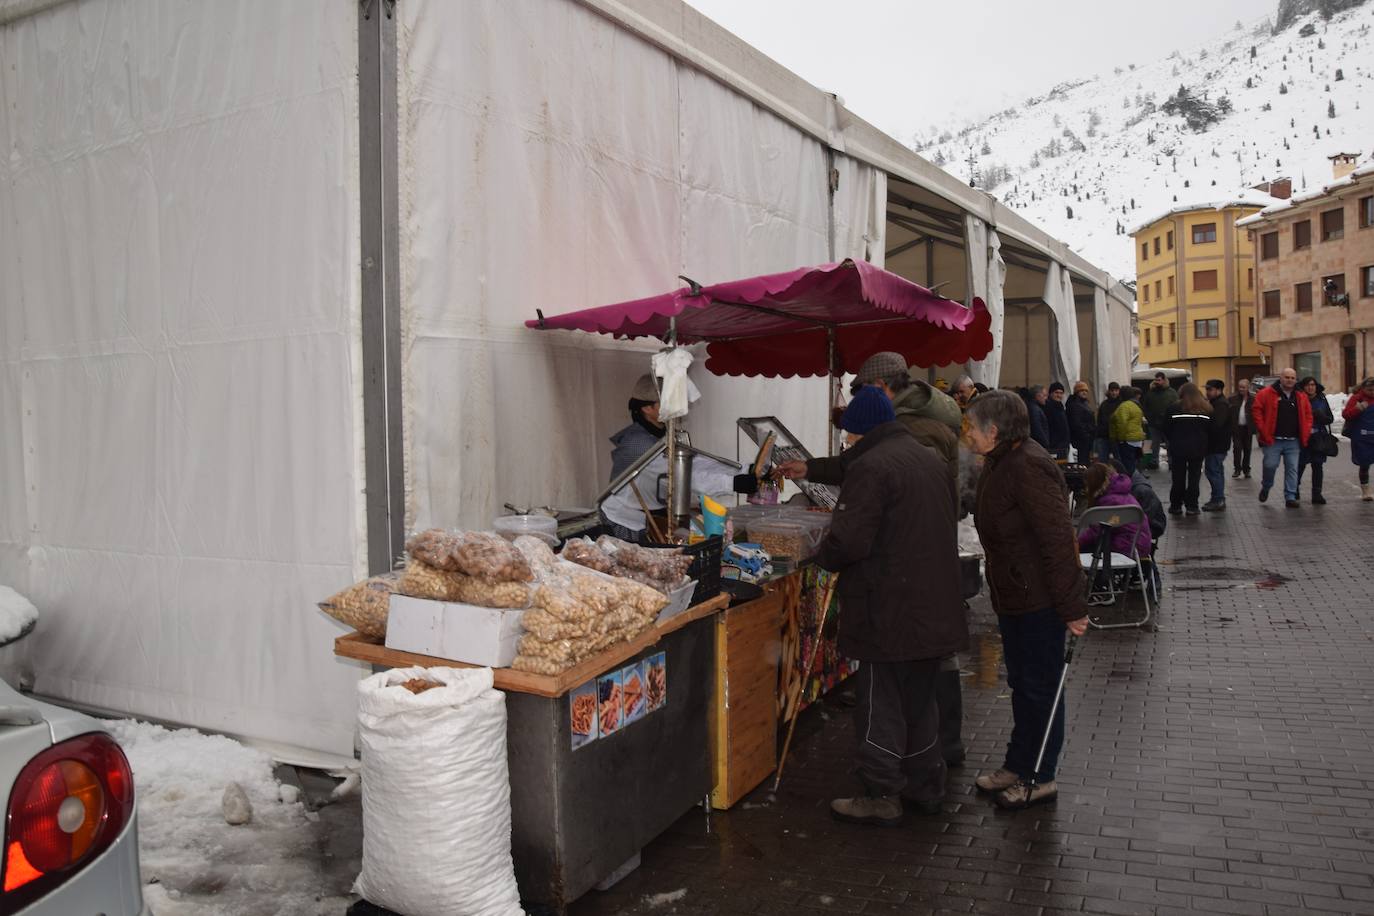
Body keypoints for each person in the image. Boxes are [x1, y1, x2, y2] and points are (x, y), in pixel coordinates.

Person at [780, 352, 966, 768]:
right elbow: (851, 466)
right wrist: (808, 468)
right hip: (929, 588)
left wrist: (819, 554)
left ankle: (882, 790)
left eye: (850, 435)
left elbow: (850, 539)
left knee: (883, 697)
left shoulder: (890, 453)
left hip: (895, 599)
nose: (846, 443)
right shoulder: (905, 444)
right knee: (919, 702)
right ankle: (927, 780)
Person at [966, 391, 1089, 810]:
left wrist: (1073, 607)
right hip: (1014, 595)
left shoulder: (1029, 466)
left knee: (1041, 689)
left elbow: (1058, 540)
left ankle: (1041, 775)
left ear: (994, 430)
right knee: (1022, 686)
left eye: (971, 427)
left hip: (1039, 600)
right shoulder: (1001, 462)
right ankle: (1019, 764)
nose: (967, 435)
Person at [602, 374, 758, 541]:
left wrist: (745, 469)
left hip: (650, 515)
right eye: (668, 403)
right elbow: (680, 476)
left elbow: (696, 462)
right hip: (625, 520)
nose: (676, 409)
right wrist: (732, 482)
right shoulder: (638, 443)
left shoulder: (662, 435)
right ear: (647, 408)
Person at [1077, 463, 1153, 605]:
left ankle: (1100, 588)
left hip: (1124, 548)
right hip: (1139, 546)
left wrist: (1074, 542)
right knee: (1096, 543)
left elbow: (1095, 532)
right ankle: (1102, 586)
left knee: (1087, 548)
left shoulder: (1108, 501)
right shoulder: (1123, 493)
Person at [1251, 368, 1312, 508]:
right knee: (1270, 465)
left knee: (1292, 468)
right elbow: (1257, 410)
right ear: (1281, 378)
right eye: (1287, 377)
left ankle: (1290, 496)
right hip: (1273, 440)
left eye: (1292, 378)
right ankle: (1266, 487)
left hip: (1293, 440)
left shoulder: (1301, 396)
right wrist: (1263, 429)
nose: (1290, 380)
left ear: (1296, 380)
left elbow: (1308, 415)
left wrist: (1306, 431)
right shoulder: (1266, 393)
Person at [1162, 383, 1212, 517]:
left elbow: (1166, 428)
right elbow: (1210, 430)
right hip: (1198, 449)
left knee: (1178, 477)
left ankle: (1176, 505)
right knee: (1194, 478)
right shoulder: (1205, 408)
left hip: (1178, 448)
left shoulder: (1173, 408)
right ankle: (1192, 506)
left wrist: (1173, 440)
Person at [1296, 376, 1333, 505]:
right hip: (1303, 438)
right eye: (1308, 385)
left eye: (1313, 385)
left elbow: (1330, 419)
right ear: (1303, 386)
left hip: (1318, 438)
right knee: (1299, 465)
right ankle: (1294, 491)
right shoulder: (1298, 398)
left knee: (1317, 466)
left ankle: (1317, 493)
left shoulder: (1322, 399)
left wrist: (1321, 416)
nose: (1310, 387)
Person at [1202, 380, 1233, 512]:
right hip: (1217, 445)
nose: (1207, 392)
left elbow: (1217, 425)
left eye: (1210, 389)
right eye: (1207, 389)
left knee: (1213, 471)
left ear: (1219, 390)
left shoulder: (1221, 405)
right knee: (1216, 471)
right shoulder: (1216, 403)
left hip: (1217, 445)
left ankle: (1218, 499)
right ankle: (1217, 498)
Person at [1341, 377, 1374, 501]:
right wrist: (1358, 408)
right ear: (1364, 388)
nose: (1372, 392)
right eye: (1370, 389)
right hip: (1362, 438)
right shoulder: (1357, 398)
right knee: (1364, 463)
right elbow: (1346, 414)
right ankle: (1365, 490)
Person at [1140, 372, 1180, 471]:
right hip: (1153, 423)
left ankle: (1171, 462)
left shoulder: (1171, 392)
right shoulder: (1150, 393)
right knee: (1154, 444)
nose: (1157, 381)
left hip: (1168, 424)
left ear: (1163, 380)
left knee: (1169, 444)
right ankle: (1154, 462)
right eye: (1156, 380)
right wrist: (1149, 417)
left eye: (1159, 380)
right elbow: (1145, 407)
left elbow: (1176, 406)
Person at [1110, 386, 1147, 475]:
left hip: (1127, 440)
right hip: (1137, 439)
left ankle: (1129, 484)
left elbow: (1122, 423)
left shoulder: (1124, 406)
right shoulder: (1136, 405)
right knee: (1134, 463)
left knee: (1127, 465)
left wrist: (1121, 439)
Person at [1229, 378, 1255, 479]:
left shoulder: (1253, 399)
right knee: (1237, 449)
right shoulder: (1232, 399)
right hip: (1236, 428)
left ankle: (1246, 470)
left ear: (1248, 388)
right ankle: (1237, 469)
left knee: (1247, 450)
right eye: (1240, 387)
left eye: (1243, 387)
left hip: (1248, 429)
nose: (1241, 389)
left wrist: (1255, 429)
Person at [1067, 382, 1096, 464]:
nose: (1084, 392)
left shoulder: (1084, 403)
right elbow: (1077, 424)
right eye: (1081, 390)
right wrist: (1086, 435)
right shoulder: (1075, 405)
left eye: (1086, 391)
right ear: (1077, 392)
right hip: (1081, 440)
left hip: (1085, 439)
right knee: (1082, 462)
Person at [1094, 382, 1123, 463]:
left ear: (1119, 391)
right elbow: (1100, 420)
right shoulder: (1104, 404)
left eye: (1116, 390)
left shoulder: (1121, 403)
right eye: (1112, 390)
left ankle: (1120, 475)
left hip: (1116, 437)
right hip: (1104, 435)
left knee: (1118, 460)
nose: (1114, 393)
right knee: (1103, 460)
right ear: (1109, 391)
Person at [1044, 383, 1071, 460]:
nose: (1059, 395)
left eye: (1061, 393)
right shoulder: (1048, 407)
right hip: (1054, 447)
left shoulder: (1060, 407)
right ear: (1051, 393)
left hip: (1063, 446)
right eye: (1056, 392)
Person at [1026, 386, 1051, 450]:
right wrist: (1046, 443)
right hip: (1039, 446)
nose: (1046, 398)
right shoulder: (1035, 409)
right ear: (1038, 396)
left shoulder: (1033, 407)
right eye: (1044, 395)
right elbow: (1037, 428)